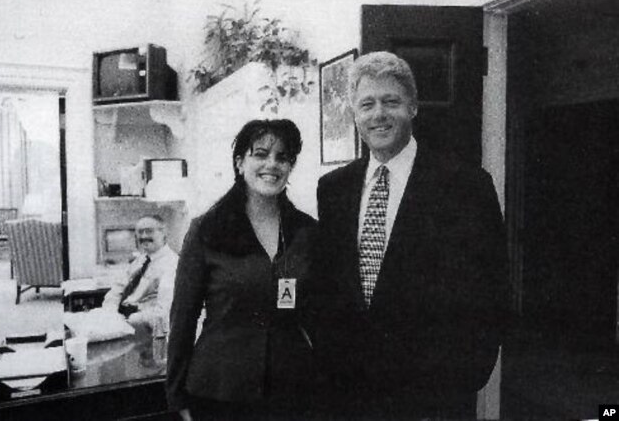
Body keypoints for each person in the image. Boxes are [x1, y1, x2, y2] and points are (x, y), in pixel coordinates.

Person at [313, 51, 509, 419]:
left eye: (391, 101)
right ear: (354, 114)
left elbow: (492, 287)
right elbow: (328, 288)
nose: (379, 114)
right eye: (366, 104)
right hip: (352, 395)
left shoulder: (465, 185)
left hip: (434, 397)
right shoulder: (334, 189)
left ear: (414, 107)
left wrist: (465, 378)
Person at [166, 119, 318, 421]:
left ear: (290, 166)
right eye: (260, 154)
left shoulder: (307, 231)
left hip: (292, 391)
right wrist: (176, 395)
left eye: (282, 157)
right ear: (239, 163)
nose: (271, 164)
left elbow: (319, 314)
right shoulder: (207, 230)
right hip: (219, 391)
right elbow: (182, 318)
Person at [102, 215, 178, 328]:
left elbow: (163, 312)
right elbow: (117, 290)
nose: (143, 236)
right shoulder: (141, 260)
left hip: (140, 324)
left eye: (149, 231)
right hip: (119, 319)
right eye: (140, 232)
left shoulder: (172, 264)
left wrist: (127, 320)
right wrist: (110, 312)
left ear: (164, 234)